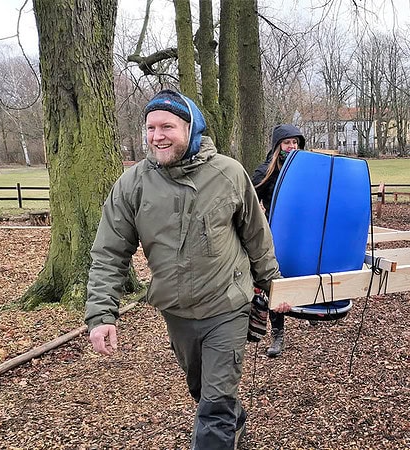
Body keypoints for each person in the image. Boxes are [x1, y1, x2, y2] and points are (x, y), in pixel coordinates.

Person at [85, 89, 280, 449]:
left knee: (215, 403)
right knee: (203, 393)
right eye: (150, 127)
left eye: (167, 126)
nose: (157, 135)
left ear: (191, 129)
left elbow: (256, 235)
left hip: (228, 306)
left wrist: (275, 286)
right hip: (177, 312)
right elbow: (109, 253)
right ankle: (234, 426)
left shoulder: (229, 173)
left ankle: (223, 425)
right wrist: (101, 315)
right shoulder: (133, 184)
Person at [251, 124, 306, 358]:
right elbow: (249, 203)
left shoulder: (305, 169)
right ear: (277, 146)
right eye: (287, 143)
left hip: (302, 233)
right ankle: (278, 333)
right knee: (274, 282)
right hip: (274, 236)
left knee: (303, 271)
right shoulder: (265, 171)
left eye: (295, 142)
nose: (291, 146)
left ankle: (310, 307)